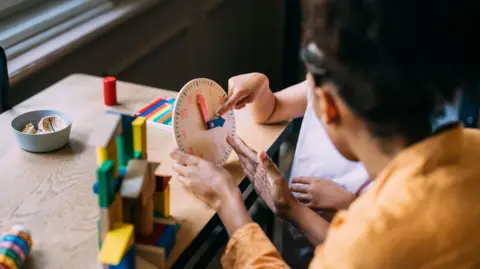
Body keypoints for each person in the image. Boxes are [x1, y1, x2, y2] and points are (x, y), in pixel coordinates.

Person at [171, 0, 480, 267]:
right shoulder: (473, 146)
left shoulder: (365, 247)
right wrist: (290, 207)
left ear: (329, 106)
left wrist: (228, 198)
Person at [216, 71, 369, 267]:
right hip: (298, 234)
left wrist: (349, 203)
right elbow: (272, 110)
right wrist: (262, 89)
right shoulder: (325, 80)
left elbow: (358, 250)